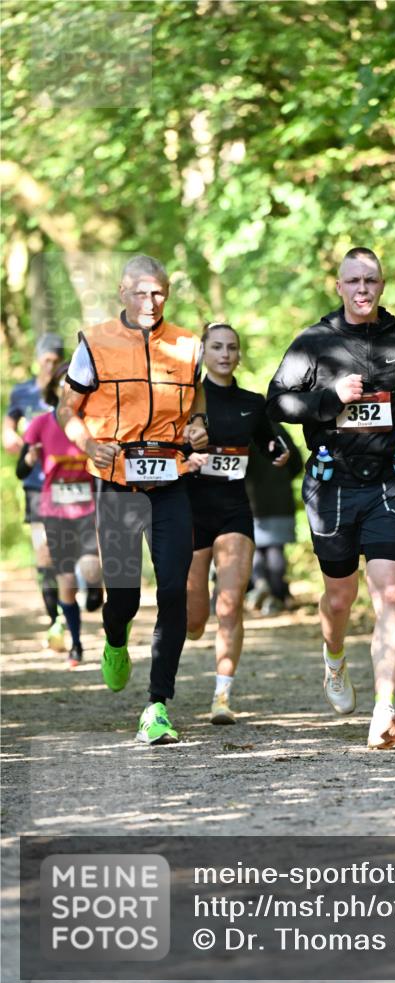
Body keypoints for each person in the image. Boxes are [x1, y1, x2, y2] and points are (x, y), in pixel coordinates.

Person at [267, 247, 395, 749]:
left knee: (389, 593)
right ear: (338, 287)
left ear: (381, 285)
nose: (362, 289)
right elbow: (276, 401)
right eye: (353, 281)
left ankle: (383, 708)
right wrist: (329, 399)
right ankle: (334, 657)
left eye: (371, 280)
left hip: (391, 482)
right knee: (340, 598)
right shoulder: (314, 343)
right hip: (333, 485)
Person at [57, 254, 208, 745]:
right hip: (117, 482)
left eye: (159, 292)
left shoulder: (188, 344)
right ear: (122, 293)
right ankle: (115, 639)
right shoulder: (95, 343)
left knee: (173, 592)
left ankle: (157, 705)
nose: (150, 302)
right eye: (141, 292)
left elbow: (198, 397)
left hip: (172, 480)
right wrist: (85, 443)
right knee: (124, 597)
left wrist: (199, 426)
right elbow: (66, 407)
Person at [185, 322, 289, 724]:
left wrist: (277, 452)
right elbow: (166, 444)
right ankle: (191, 630)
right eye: (216, 347)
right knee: (194, 622)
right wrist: (185, 453)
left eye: (231, 347)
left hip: (234, 514)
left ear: (239, 354)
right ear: (204, 353)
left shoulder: (252, 401)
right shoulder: (187, 400)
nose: (225, 354)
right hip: (192, 514)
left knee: (229, 605)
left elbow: (269, 441)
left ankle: (222, 697)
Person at [17, 362, 103, 666]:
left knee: (92, 569)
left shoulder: (93, 424)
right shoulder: (40, 424)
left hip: (88, 509)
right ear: (54, 389)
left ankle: (96, 588)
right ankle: (76, 644)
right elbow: (20, 472)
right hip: (55, 511)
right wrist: (29, 457)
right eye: (64, 384)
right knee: (66, 579)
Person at [3, 334, 66, 647]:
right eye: (47, 360)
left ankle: (75, 602)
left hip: (71, 482)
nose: (51, 366)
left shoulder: (69, 391)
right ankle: (55, 619)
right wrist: (9, 436)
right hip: (37, 484)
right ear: (39, 359)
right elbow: (9, 422)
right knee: (45, 552)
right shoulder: (23, 392)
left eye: (57, 362)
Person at [245, 422, 303, 615]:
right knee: (276, 548)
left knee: (256, 548)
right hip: (280, 498)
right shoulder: (280, 431)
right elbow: (297, 463)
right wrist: (283, 477)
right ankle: (276, 597)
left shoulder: (246, 430)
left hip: (251, 499)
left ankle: (260, 584)